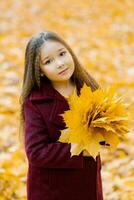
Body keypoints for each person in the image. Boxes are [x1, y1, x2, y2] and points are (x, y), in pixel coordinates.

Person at [19, 31, 104, 200]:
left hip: (87, 183)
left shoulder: (88, 88)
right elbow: (35, 151)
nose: (59, 63)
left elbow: (102, 126)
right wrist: (78, 150)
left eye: (62, 54)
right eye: (48, 61)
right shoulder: (35, 102)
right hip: (52, 189)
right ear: (40, 70)